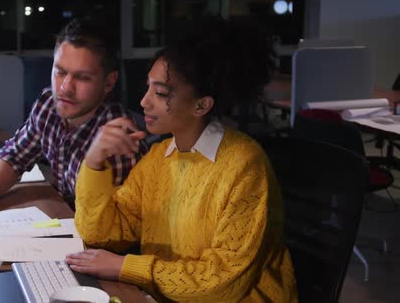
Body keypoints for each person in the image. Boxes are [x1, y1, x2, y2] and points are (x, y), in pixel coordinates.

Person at [66, 17, 298, 302]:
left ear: (202, 105)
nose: (144, 102)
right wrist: (94, 161)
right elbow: (100, 234)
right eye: (148, 87)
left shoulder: (245, 166)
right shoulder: (158, 158)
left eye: (161, 93)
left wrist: (125, 266)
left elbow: (222, 283)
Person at [0, 18, 148, 209]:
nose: (65, 87)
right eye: (60, 72)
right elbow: (16, 156)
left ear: (109, 82)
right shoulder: (50, 103)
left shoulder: (120, 140)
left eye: (82, 77)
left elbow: (117, 229)